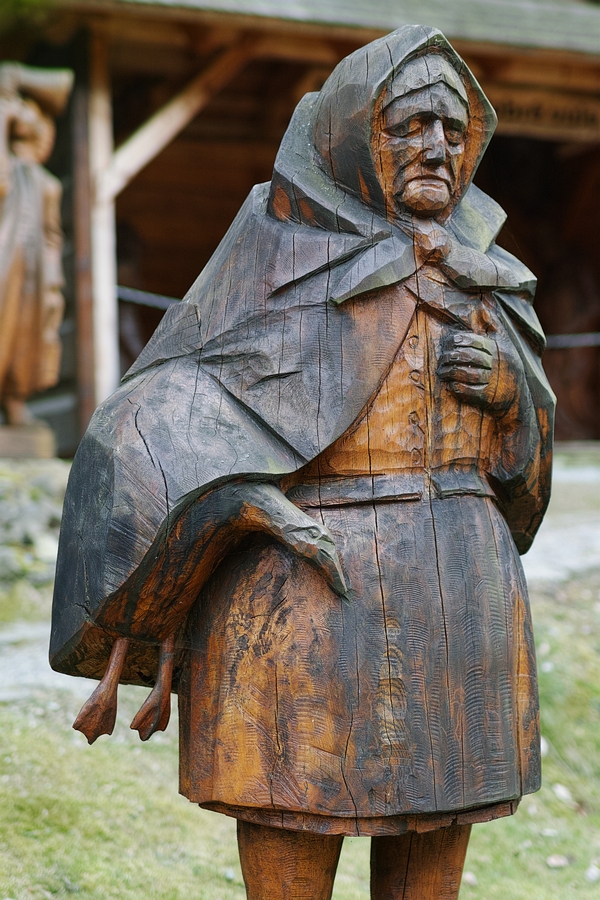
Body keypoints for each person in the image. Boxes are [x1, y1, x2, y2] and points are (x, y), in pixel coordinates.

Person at [52, 26, 554, 899]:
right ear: (355, 133)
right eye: (411, 125)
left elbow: (526, 474)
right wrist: (239, 497)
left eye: (454, 129)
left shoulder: (490, 280)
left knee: (441, 830)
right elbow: (157, 412)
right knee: (290, 817)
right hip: (302, 598)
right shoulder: (275, 252)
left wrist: (513, 395)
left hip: (461, 595)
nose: (438, 147)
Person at [0, 63, 72, 426]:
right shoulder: (8, 170)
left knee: (28, 335)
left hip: (34, 271)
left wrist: (54, 277)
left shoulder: (47, 184)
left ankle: (15, 398)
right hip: (4, 262)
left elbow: (51, 234)